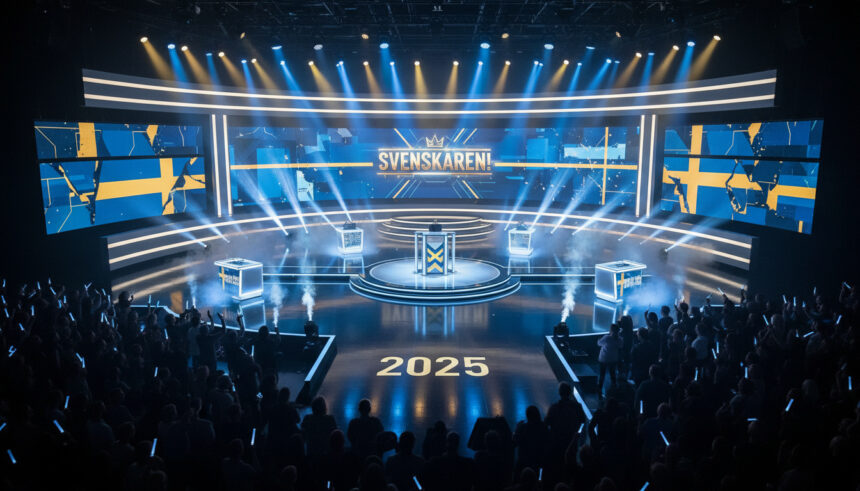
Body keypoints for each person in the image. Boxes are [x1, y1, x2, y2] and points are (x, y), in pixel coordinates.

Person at [597, 324, 622, 393]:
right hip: (613, 359)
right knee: (613, 374)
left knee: (602, 374)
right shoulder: (620, 339)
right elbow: (620, 346)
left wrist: (599, 339)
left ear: (611, 330)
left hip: (604, 359)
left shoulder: (607, 338)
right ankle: (614, 389)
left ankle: (599, 389)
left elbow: (599, 343)